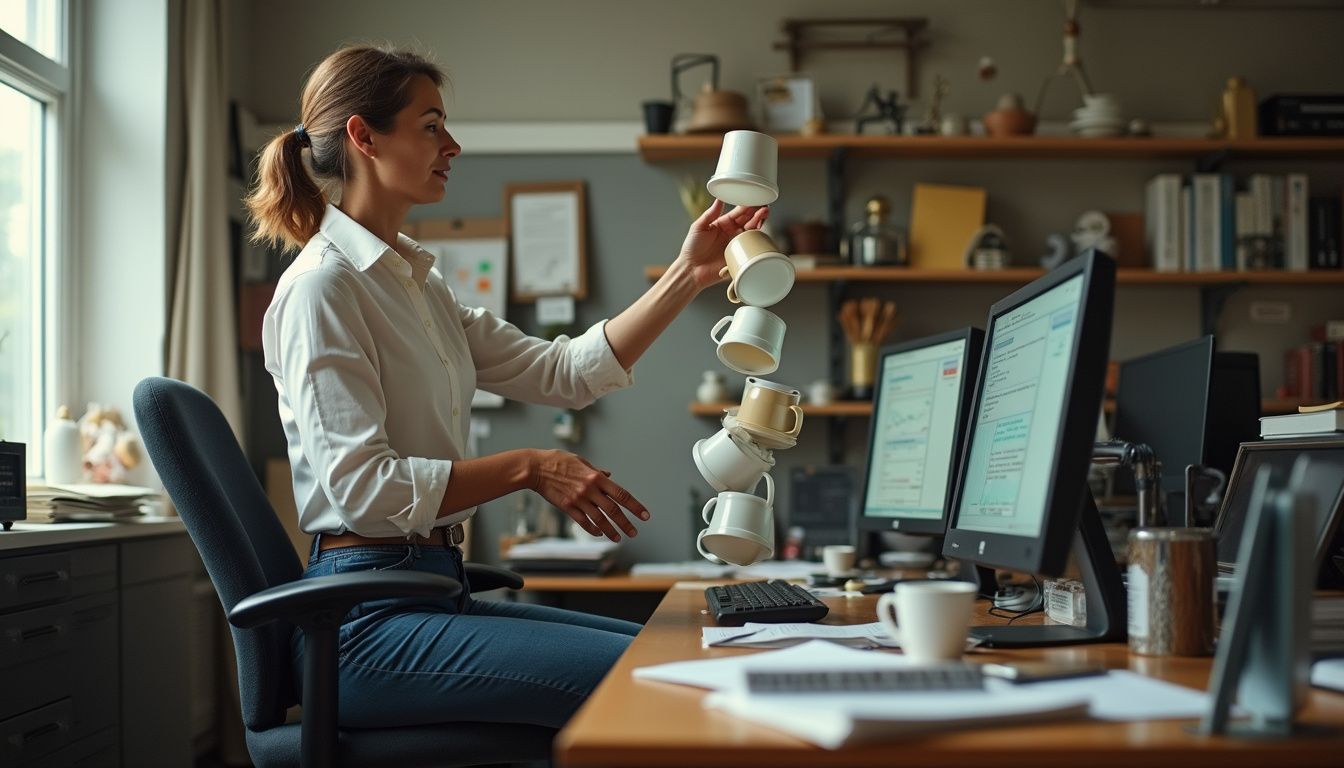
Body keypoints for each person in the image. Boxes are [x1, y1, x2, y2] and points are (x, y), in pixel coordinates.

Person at [245, 44, 767, 732]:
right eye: (431, 125)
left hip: (431, 589)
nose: (452, 145)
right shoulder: (322, 289)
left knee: (668, 654)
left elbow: (566, 372)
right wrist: (530, 466)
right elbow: (363, 491)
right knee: (659, 684)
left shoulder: (417, 286)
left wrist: (686, 272)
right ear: (363, 137)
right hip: (365, 622)